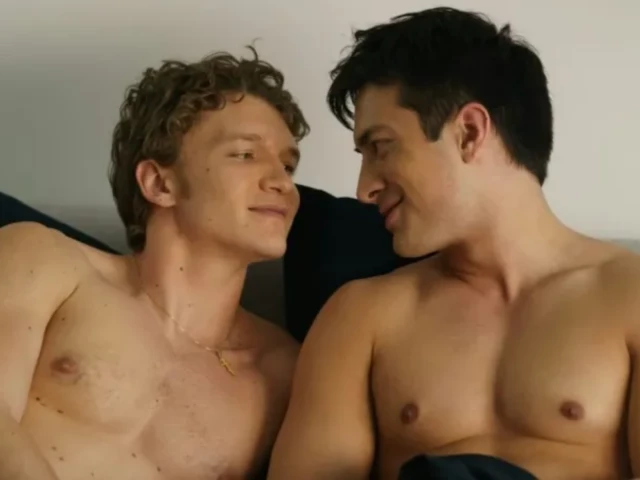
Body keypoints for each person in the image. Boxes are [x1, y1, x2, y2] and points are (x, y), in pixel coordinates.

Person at [268, 7, 640, 480]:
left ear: (468, 133)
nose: (364, 189)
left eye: (381, 147)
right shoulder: (359, 318)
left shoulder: (630, 297)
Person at [0, 48, 308, 479]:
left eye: (288, 166)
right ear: (160, 183)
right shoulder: (46, 260)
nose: (282, 183)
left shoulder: (285, 370)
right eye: (244, 154)